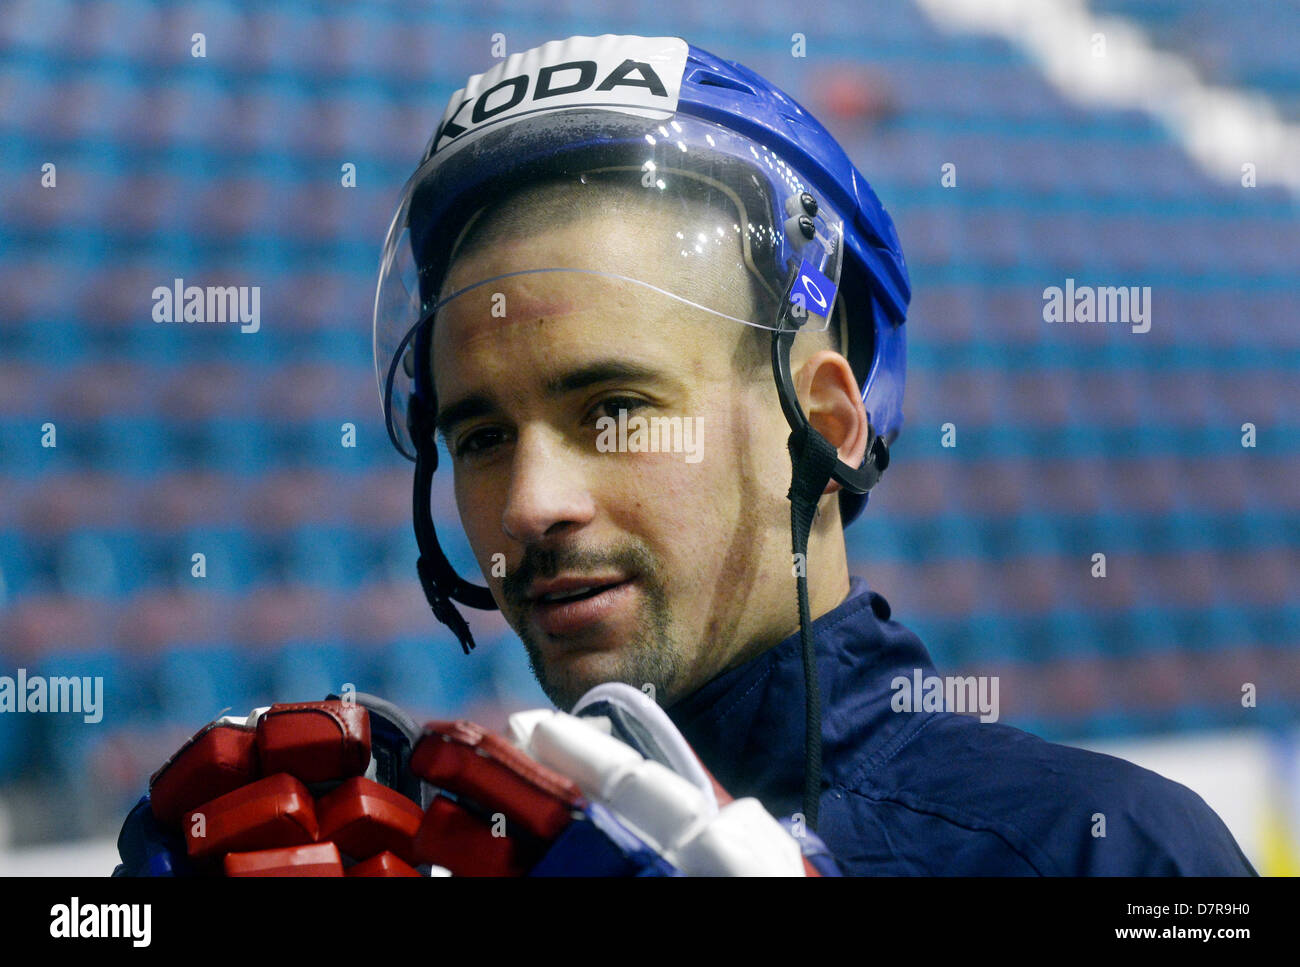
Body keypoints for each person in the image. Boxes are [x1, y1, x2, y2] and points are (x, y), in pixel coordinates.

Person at [373, 34, 1255, 875]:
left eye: (614, 410)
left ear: (824, 427)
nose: (530, 505)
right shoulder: (461, 853)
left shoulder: (1118, 853)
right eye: (482, 437)